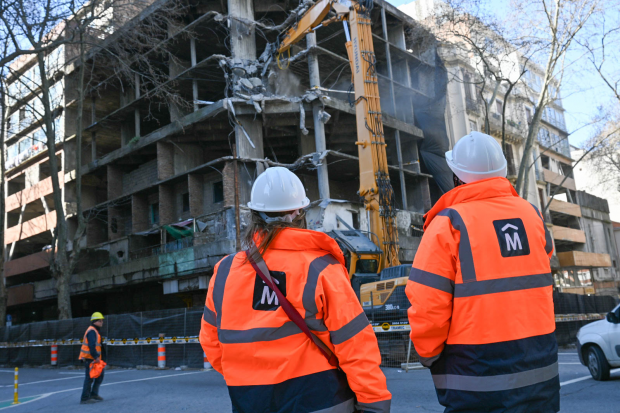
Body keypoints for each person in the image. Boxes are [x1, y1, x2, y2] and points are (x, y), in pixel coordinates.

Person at [200, 166, 391, 413]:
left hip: (249, 399)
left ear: (254, 213)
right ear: (298, 212)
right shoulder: (321, 267)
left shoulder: (225, 272)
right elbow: (355, 345)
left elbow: (212, 343)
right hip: (320, 398)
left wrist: (248, 377)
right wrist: (374, 403)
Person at [406, 132, 559, 413]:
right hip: (541, 370)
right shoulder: (532, 215)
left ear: (456, 177)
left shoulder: (448, 224)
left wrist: (429, 354)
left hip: (477, 378)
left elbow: (428, 305)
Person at [79, 312, 106, 404]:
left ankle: (94, 394)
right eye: (100, 321)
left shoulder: (95, 331)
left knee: (99, 376)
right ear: (94, 321)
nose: (102, 322)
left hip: (95, 359)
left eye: (102, 320)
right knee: (89, 378)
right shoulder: (92, 331)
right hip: (91, 359)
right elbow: (91, 345)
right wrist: (96, 357)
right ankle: (85, 398)